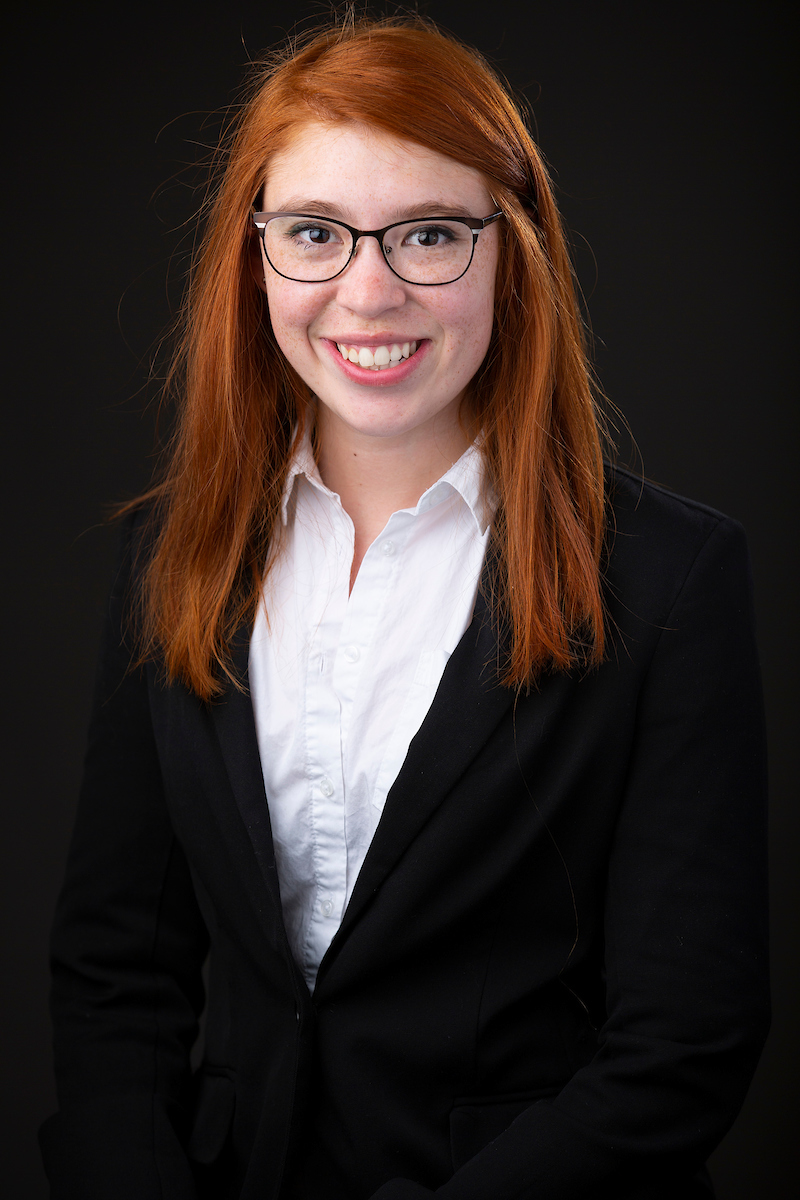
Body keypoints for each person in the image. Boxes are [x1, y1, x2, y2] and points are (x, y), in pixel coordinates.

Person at [40, 14, 769, 1200]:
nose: (366, 293)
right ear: (254, 253)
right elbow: (117, 973)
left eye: (429, 233)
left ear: (511, 250)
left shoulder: (668, 575)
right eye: (315, 234)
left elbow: (684, 1045)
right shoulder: (171, 555)